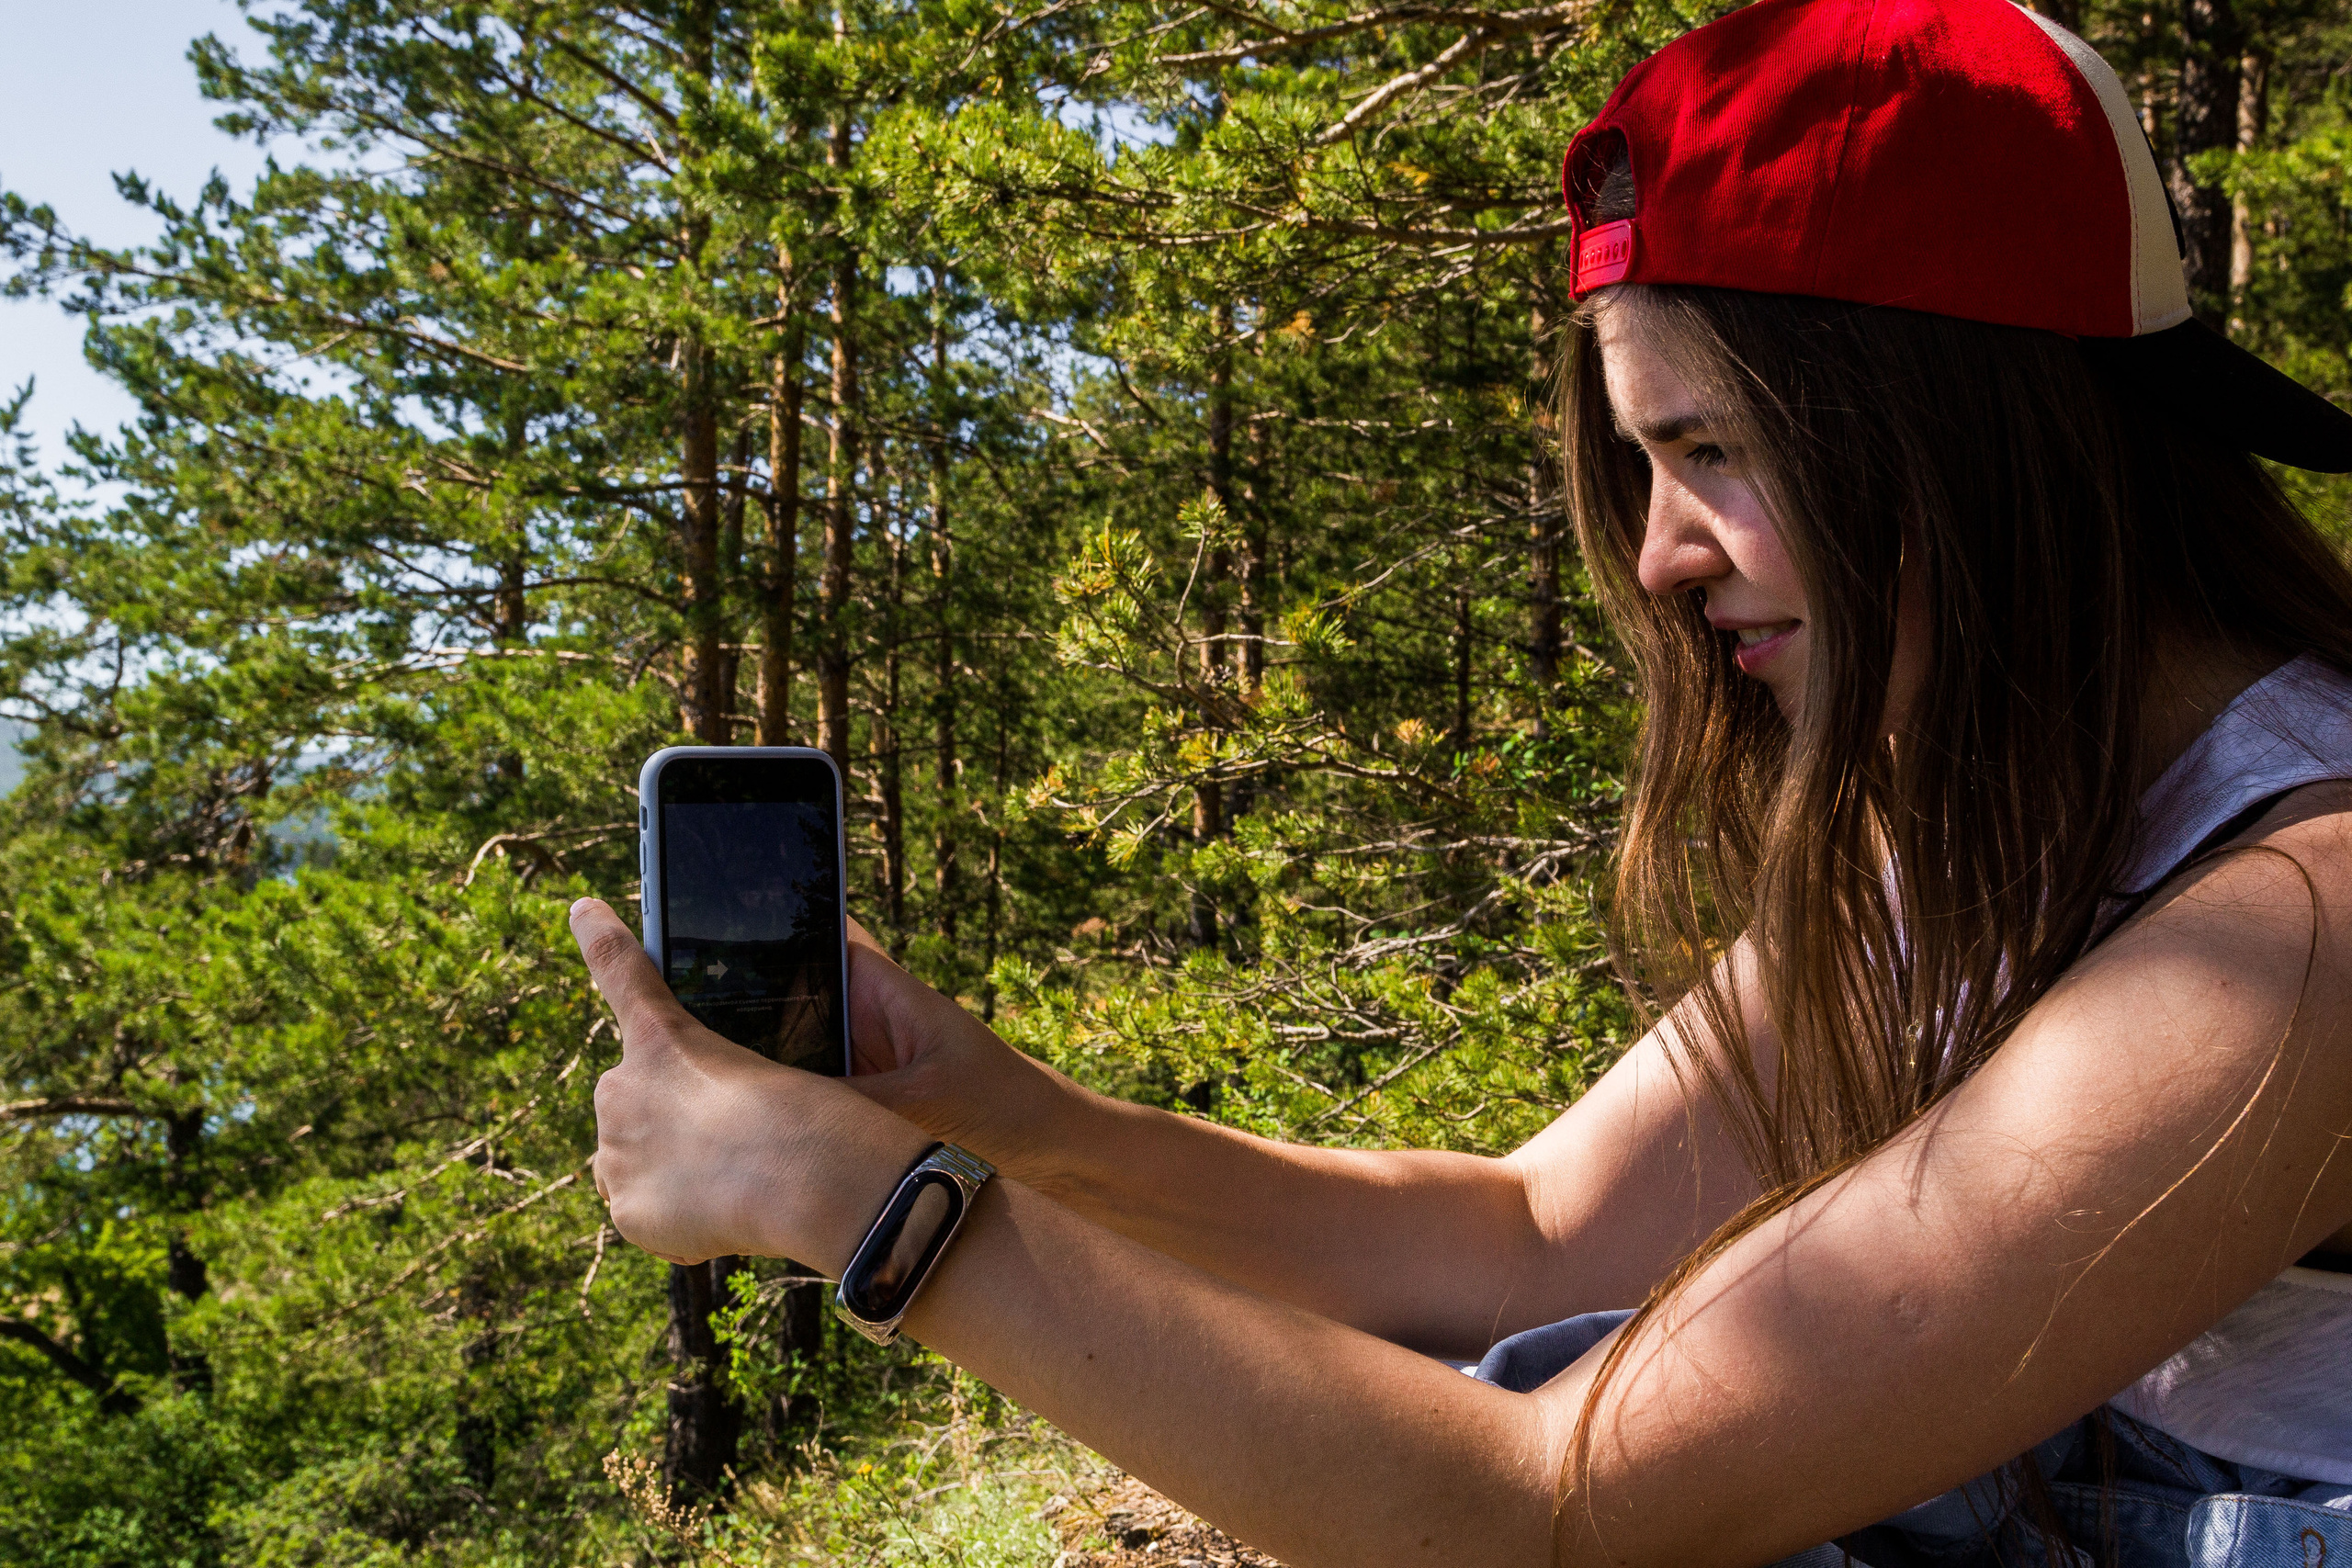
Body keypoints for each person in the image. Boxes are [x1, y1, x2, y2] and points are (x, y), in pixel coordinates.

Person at [569, 1, 2352, 1562]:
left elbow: (1547, 1510)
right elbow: (1522, 1233)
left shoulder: (2294, 918)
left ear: (1956, 429)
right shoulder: (1980, 822)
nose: (1659, 555)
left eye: (1707, 449)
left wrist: (874, 1215)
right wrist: (1001, 1115)